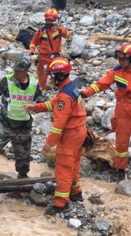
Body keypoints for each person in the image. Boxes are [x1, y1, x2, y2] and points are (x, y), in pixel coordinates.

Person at [80, 43, 131, 180]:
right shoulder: (115, 72)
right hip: (123, 109)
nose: (120, 61)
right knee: (122, 142)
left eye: (123, 59)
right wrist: (86, 93)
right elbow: (101, 84)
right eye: (119, 59)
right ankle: (121, 169)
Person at [23, 57, 86, 215]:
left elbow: (59, 124)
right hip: (79, 132)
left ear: (59, 76)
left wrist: (49, 142)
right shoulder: (70, 87)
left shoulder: (65, 96)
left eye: (52, 75)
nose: (50, 78)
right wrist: (35, 107)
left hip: (70, 135)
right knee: (74, 164)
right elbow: (53, 104)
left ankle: (61, 203)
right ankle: (75, 192)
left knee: (63, 169)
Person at [29, 8, 71, 91]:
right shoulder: (40, 31)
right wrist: (32, 49)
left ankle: (60, 89)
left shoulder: (58, 30)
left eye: (51, 21)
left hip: (55, 57)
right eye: (48, 21)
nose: (49, 23)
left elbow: (67, 35)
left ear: (55, 20)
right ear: (45, 20)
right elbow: (33, 42)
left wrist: (59, 29)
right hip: (43, 57)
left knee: (58, 74)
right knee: (42, 76)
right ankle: (43, 91)